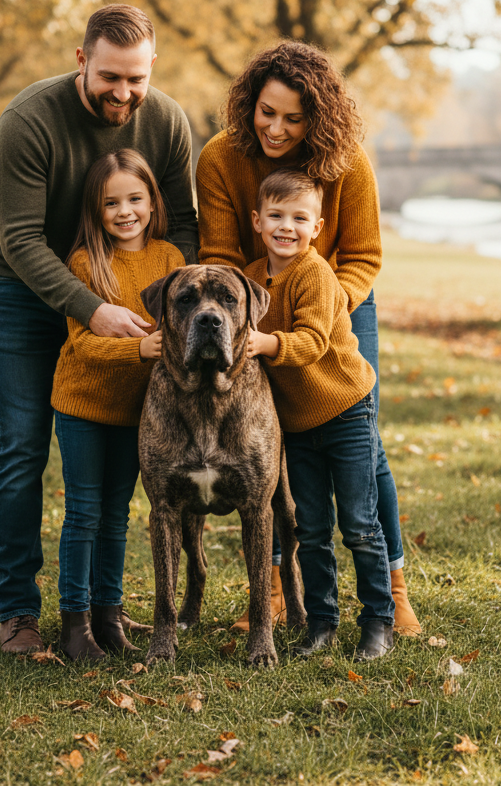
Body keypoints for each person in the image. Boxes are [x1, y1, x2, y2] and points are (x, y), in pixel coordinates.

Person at [0, 4, 198, 654]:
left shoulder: (168, 120)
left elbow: (180, 222)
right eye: (110, 77)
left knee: (118, 460)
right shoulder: (30, 119)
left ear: (152, 64)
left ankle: (104, 608)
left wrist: (167, 302)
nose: (125, 93)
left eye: (137, 78)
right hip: (23, 287)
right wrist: (89, 308)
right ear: (82, 61)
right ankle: (19, 612)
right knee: (21, 447)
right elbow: (18, 236)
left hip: (124, 295)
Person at [196, 41, 420, 635]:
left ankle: (393, 591)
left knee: (362, 443)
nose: (276, 127)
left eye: (294, 118)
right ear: (250, 104)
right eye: (267, 112)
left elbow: (363, 255)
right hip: (252, 309)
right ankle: (275, 590)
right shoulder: (220, 159)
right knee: (265, 443)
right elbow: (218, 256)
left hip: (336, 303)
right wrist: (261, 316)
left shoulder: (348, 163)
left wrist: (317, 313)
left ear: (318, 117)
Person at [246, 168, 394, 658]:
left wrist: (263, 342)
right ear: (257, 221)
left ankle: (378, 621)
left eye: (299, 218)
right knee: (309, 528)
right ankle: (321, 622)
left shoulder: (316, 274)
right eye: (276, 216)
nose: (286, 227)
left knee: (357, 524)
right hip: (296, 425)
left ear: (317, 227)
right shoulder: (250, 280)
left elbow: (311, 343)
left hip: (346, 408)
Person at [50, 150, 185, 660]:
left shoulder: (171, 259)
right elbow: (82, 344)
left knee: (117, 514)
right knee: (84, 512)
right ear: (96, 209)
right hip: (84, 405)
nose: (125, 211)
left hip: (138, 412)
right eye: (112, 203)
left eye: (135, 198)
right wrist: (139, 347)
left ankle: (110, 617)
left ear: (152, 201)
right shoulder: (86, 261)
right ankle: (75, 624)